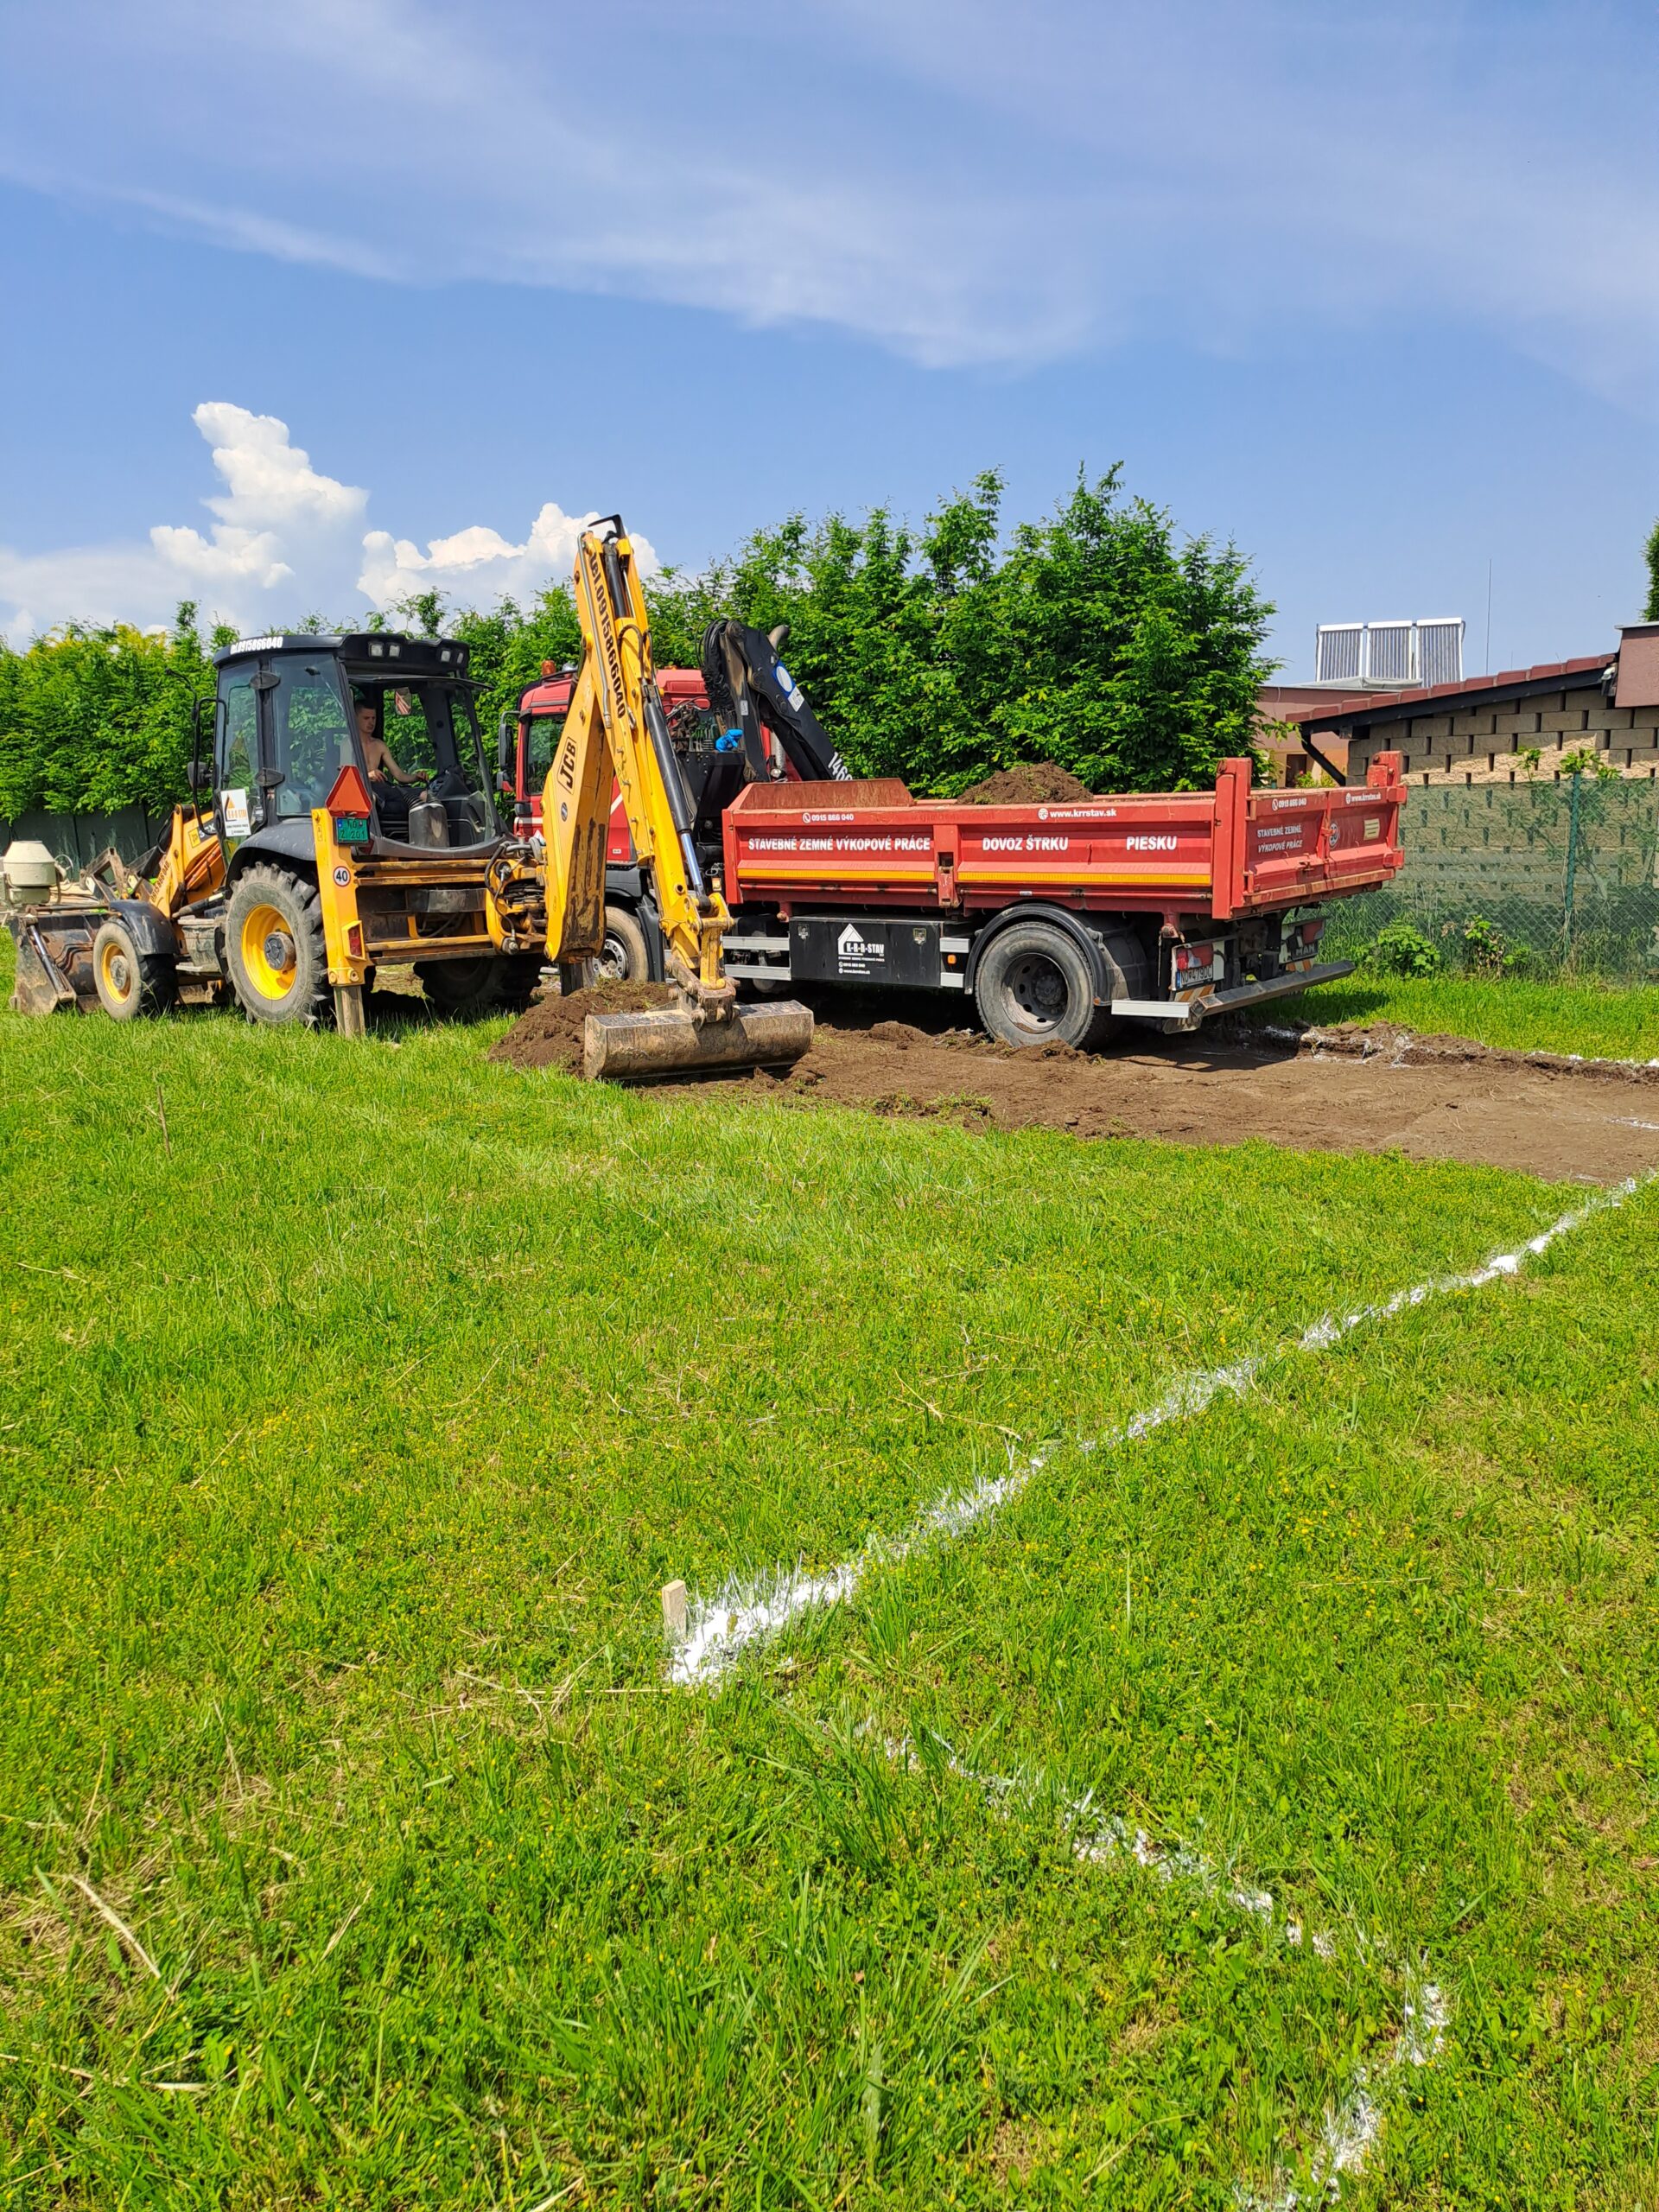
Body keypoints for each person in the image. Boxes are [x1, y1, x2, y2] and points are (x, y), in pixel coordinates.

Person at [353, 697, 425, 787]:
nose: (371, 722)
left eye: (373, 718)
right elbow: (346, 775)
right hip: (358, 789)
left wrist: (415, 777)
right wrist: (368, 775)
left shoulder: (379, 745)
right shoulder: (349, 744)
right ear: (355, 718)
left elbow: (398, 774)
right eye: (366, 718)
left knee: (421, 793)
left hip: (378, 789)